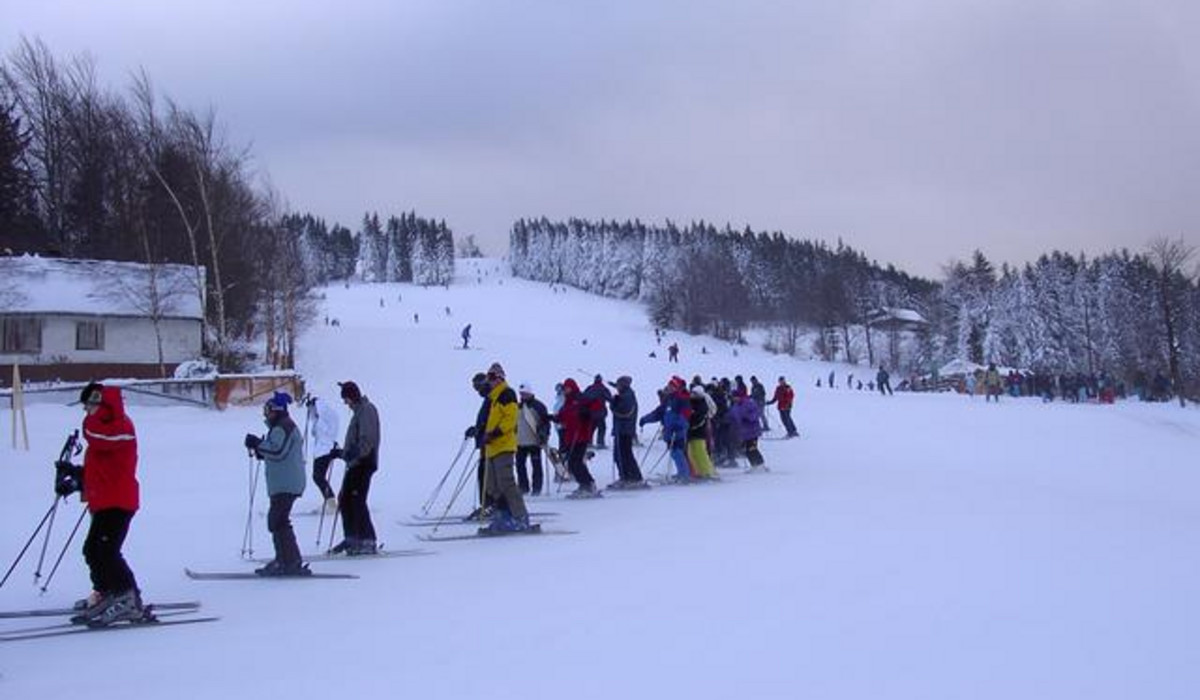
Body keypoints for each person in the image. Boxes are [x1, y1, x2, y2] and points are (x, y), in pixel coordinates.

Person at [57, 383, 146, 626]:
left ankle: (128, 597)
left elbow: (102, 439)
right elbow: (102, 466)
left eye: (89, 405)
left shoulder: (118, 426)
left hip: (119, 500)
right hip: (105, 498)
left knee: (107, 551)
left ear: (101, 404)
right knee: (93, 550)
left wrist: (91, 422)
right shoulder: (103, 428)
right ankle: (108, 591)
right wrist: (77, 477)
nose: (86, 411)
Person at [244, 392, 309, 576]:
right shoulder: (280, 427)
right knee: (278, 521)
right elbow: (275, 450)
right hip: (284, 482)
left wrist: (258, 444)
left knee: (278, 521)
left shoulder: (284, 427)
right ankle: (286, 559)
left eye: (268, 410)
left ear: (277, 410)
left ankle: (288, 561)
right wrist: (260, 449)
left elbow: (278, 451)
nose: (266, 414)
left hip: (287, 483)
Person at [478, 363, 533, 532]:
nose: (490, 381)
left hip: (503, 446)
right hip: (492, 448)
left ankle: (520, 517)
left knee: (506, 483)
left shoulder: (506, 394)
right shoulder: (493, 398)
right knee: (492, 486)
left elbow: (510, 419)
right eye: (489, 377)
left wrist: (494, 433)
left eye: (493, 377)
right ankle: (504, 516)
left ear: (501, 378)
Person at [331, 381, 379, 555]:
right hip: (356, 462)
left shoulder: (366, 410)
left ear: (352, 397)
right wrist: (342, 453)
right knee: (345, 499)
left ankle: (367, 539)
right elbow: (354, 441)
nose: (345, 403)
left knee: (357, 500)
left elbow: (368, 439)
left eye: (346, 399)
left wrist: (355, 453)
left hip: (364, 462)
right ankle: (352, 537)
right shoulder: (358, 412)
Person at [639, 377, 692, 483]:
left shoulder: (682, 399)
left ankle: (684, 475)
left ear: (677, 387)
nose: (670, 388)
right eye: (669, 386)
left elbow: (686, 414)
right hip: (669, 431)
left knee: (678, 452)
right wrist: (645, 419)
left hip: (678, 431)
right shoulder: (668, 399)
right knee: (673, 452)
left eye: (672, 386)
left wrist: (679, 424)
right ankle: (681, 473)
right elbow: (658, 413)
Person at [551, 378, 598, 497]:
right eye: (565, 388)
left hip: (580, 435)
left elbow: (595, 407)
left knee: (576, 462)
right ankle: (585, 484)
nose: (566, 391)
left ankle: (588, 484)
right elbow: (562, 416)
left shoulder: (580, 398)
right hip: (571, 436)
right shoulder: (568, 401)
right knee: (572, 463)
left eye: (567, 388)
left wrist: (586, 413)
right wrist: (551, 418)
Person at [305, 395, 340, 514]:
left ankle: (331, 503)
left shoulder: (326, 416)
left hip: (325, 450)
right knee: (318, 477)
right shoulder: (320, 418)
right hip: (321, 450)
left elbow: (324, 430)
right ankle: (330, 501)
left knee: (318, 477)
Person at [607, 375, 645, 488]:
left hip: (624, 430)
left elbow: (623, 411)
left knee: (623, 455)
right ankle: (630, 476)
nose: (617, 387)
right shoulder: (626, 394)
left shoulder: (627, 396)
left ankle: (630, 477)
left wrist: (613, 404)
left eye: (618, 385)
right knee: (622, 454)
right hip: (622, 429)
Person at [516, 382, 550, 496]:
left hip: (534, 441)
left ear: (530, 393)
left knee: (536, 466)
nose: (522, 396)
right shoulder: (517, 406)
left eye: (525, 393)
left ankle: (537, 488)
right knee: (520, 466)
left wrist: (545, 435)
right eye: (521, 394)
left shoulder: (539, 406)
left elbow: (545, 422)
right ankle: (523, 487)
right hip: (519, 442)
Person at [729, 391, 766, 470]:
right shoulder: (735, 407)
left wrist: (748, 417)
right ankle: (754, 465)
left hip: (753, 430)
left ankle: (760, 464)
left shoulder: (749, 403)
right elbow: (733, 417)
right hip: (744, 432)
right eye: (734, 397)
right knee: (746, 450)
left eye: (736, 397)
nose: (735, 399)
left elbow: (757, 413)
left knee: (752, 448)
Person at [687, 386, 717, 479]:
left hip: (699, 432)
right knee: (692, 453)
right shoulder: (691, 403)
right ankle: (698, 471)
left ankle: (708, 472)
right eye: (692, 393)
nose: (692, 395)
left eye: (695, 393)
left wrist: (691, 423)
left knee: (701, 453)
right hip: (692, 432)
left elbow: (699, 418)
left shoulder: (702, 404)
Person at [582, 374, 612, 449]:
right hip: (600, 413)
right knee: (602, 428)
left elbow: (583, 397)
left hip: (590, 413)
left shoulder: (589, 388)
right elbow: (610, 398)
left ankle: (589, 442)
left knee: (591, 428)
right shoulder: (603, 389)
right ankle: (600, 443)